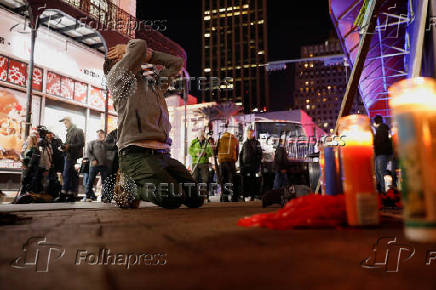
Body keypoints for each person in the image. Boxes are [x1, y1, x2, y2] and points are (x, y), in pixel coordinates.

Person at [105, 38, 203, 209]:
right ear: (116, 64)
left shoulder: (154, 84)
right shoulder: (117, 79)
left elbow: (176, 63)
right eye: (126, 57)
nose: (133, 58)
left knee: (195, 199)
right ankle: (129, 189)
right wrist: (128, 48)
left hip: (162, 155)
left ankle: (151, 184)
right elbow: (140, 46)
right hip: (135, 155)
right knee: (172, 198)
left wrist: (152, 56)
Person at [57, 116, 85, 202]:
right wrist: (63, 147)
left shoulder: (78, 130)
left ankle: (64, 194)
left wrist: (69, 146)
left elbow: (82, 143)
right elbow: (68, 144)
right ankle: (71, 194)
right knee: (71, 175)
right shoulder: (68, 132)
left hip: (73, 156)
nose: (65, 125)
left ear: (70, 121)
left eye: (65, 123)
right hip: (68, 155)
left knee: (66, 174)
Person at [84, 130, 109, 201]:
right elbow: (88, 152)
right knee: (90, 180)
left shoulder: (106, 144)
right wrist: (93, 159)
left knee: (105, 182)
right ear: (96, 135)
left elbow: (110, 154)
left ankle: (105, 197)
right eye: (99, 134)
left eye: (102, 134)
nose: (100, 135)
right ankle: (88, 196)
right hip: (94, 165)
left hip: (104, 165)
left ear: (104, 135)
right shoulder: (91, 142)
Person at [189, 130, 213, 200]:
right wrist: (196, 153)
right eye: (200, 136)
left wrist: (205, 153)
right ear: (198, 136)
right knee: (194, 179)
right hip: (195, 163)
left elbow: (211, 153)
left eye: (202, 136)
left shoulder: (207, 142)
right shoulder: (194, 142)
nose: (201, 137)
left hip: (204, 163)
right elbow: (190, 151)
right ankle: (194, 196)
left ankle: (204, 196)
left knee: (205, 179)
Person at [239, 128, 262, 201]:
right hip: (245, 166)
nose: (249, 135)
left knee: (252, 181)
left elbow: (260, 154)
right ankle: (244, 196)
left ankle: (252, 196)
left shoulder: (257, 143)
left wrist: (256, 163)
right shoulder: (245, 143)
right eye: (248, 133)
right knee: (244, 181)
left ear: (253, 134)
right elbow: (241, 154)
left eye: (251, 133)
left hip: (253, 166)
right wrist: (241, 165)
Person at [217, 128, 239, 202]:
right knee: (232, 180)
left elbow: (216, 150)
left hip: (222, 162)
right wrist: (235, 159)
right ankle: (234, 197)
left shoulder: (220, 140)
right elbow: (237, 151)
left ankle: (224, 198)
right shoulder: (234, 139)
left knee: (223, 180)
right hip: (231, 162)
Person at [373, 115, 393, 193]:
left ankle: (384, 191)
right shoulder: (382, 129)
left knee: (381, 171)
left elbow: (380, 141)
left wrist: (374, 142)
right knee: (380, 171)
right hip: (381, 153)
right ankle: (383, 190)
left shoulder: (381, 129)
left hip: (381, 153)